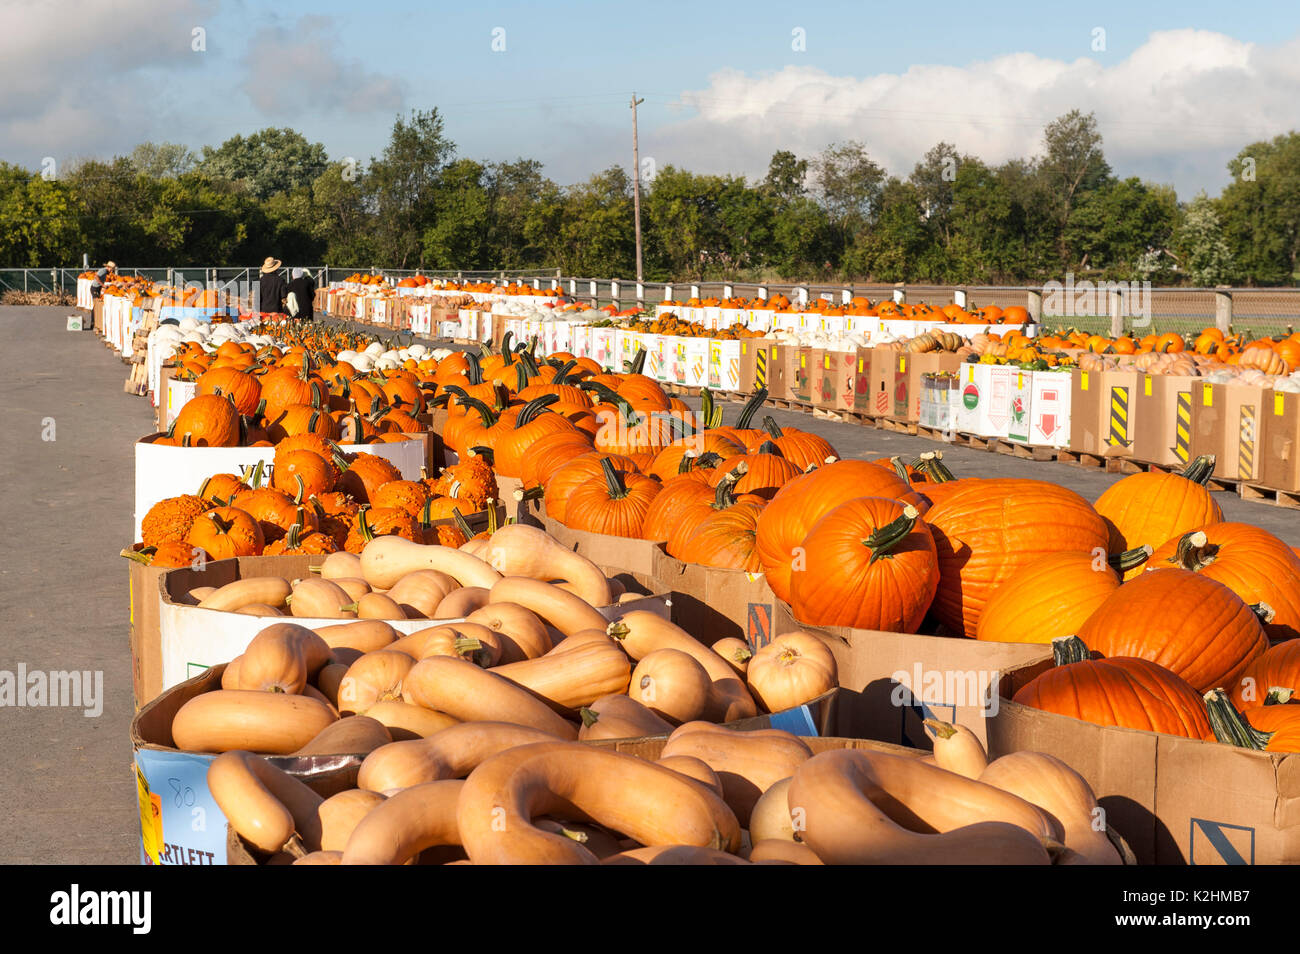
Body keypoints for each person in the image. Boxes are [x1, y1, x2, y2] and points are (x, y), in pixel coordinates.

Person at [87, 260, 115, 332]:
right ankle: (93, 323)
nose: (112, 271)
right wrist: (102, 285)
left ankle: (95, 323)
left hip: (98, 288)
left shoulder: (105, 272)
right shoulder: (103, 270)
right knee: (96, 305)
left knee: (97, 305)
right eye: (112, 269)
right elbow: (96, 276)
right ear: (109, 267)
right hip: (95, 288)